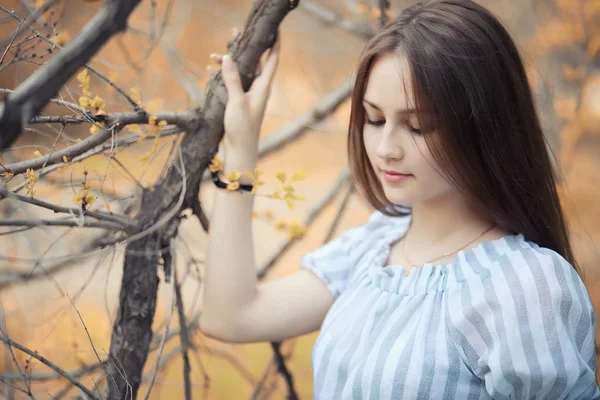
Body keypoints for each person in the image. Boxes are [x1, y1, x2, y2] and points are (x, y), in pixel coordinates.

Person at [200, 0, 600, 398]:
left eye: (418, 126)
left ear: (482, 126)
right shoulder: (374, 247)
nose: (385, 148)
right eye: (374, 119)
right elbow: (231, 316)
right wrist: (241, 147)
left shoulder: (524, 286)